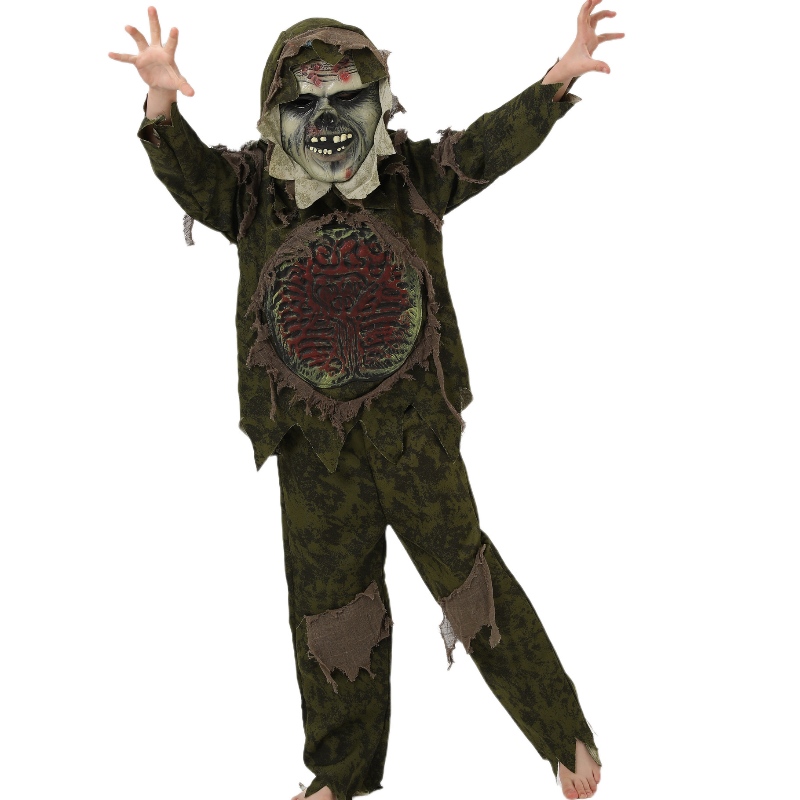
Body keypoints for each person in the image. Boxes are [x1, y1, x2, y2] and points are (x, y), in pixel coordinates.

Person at [109, 5, 623, 800]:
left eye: (346, 98)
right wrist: (161, 103)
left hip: (413, 433)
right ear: (274, 109)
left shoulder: (412, 175)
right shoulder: (251, 190)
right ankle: (339, 773)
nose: (326, 121)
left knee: (470, 580)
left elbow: (486, 147)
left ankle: (562, 735)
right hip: (314, 448)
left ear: (379, 102)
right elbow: (191, 175)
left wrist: (558, 78)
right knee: (331, 609)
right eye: (304, 102)